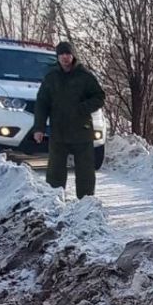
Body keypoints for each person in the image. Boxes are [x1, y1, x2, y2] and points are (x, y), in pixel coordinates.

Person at [31, 41, 105, 199]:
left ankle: (86, 202)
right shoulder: (51, 77)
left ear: (73, 56)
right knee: (55, 170)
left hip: (82, 130)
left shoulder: (84, 76)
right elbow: (42, 103)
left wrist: (83, 107)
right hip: (59, 130)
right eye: (62, 54)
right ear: (58, 57)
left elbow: (99, 97)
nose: (65, 57)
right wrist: (39, 128)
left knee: (85, 170)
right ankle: (54, 200)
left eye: (68, 54)